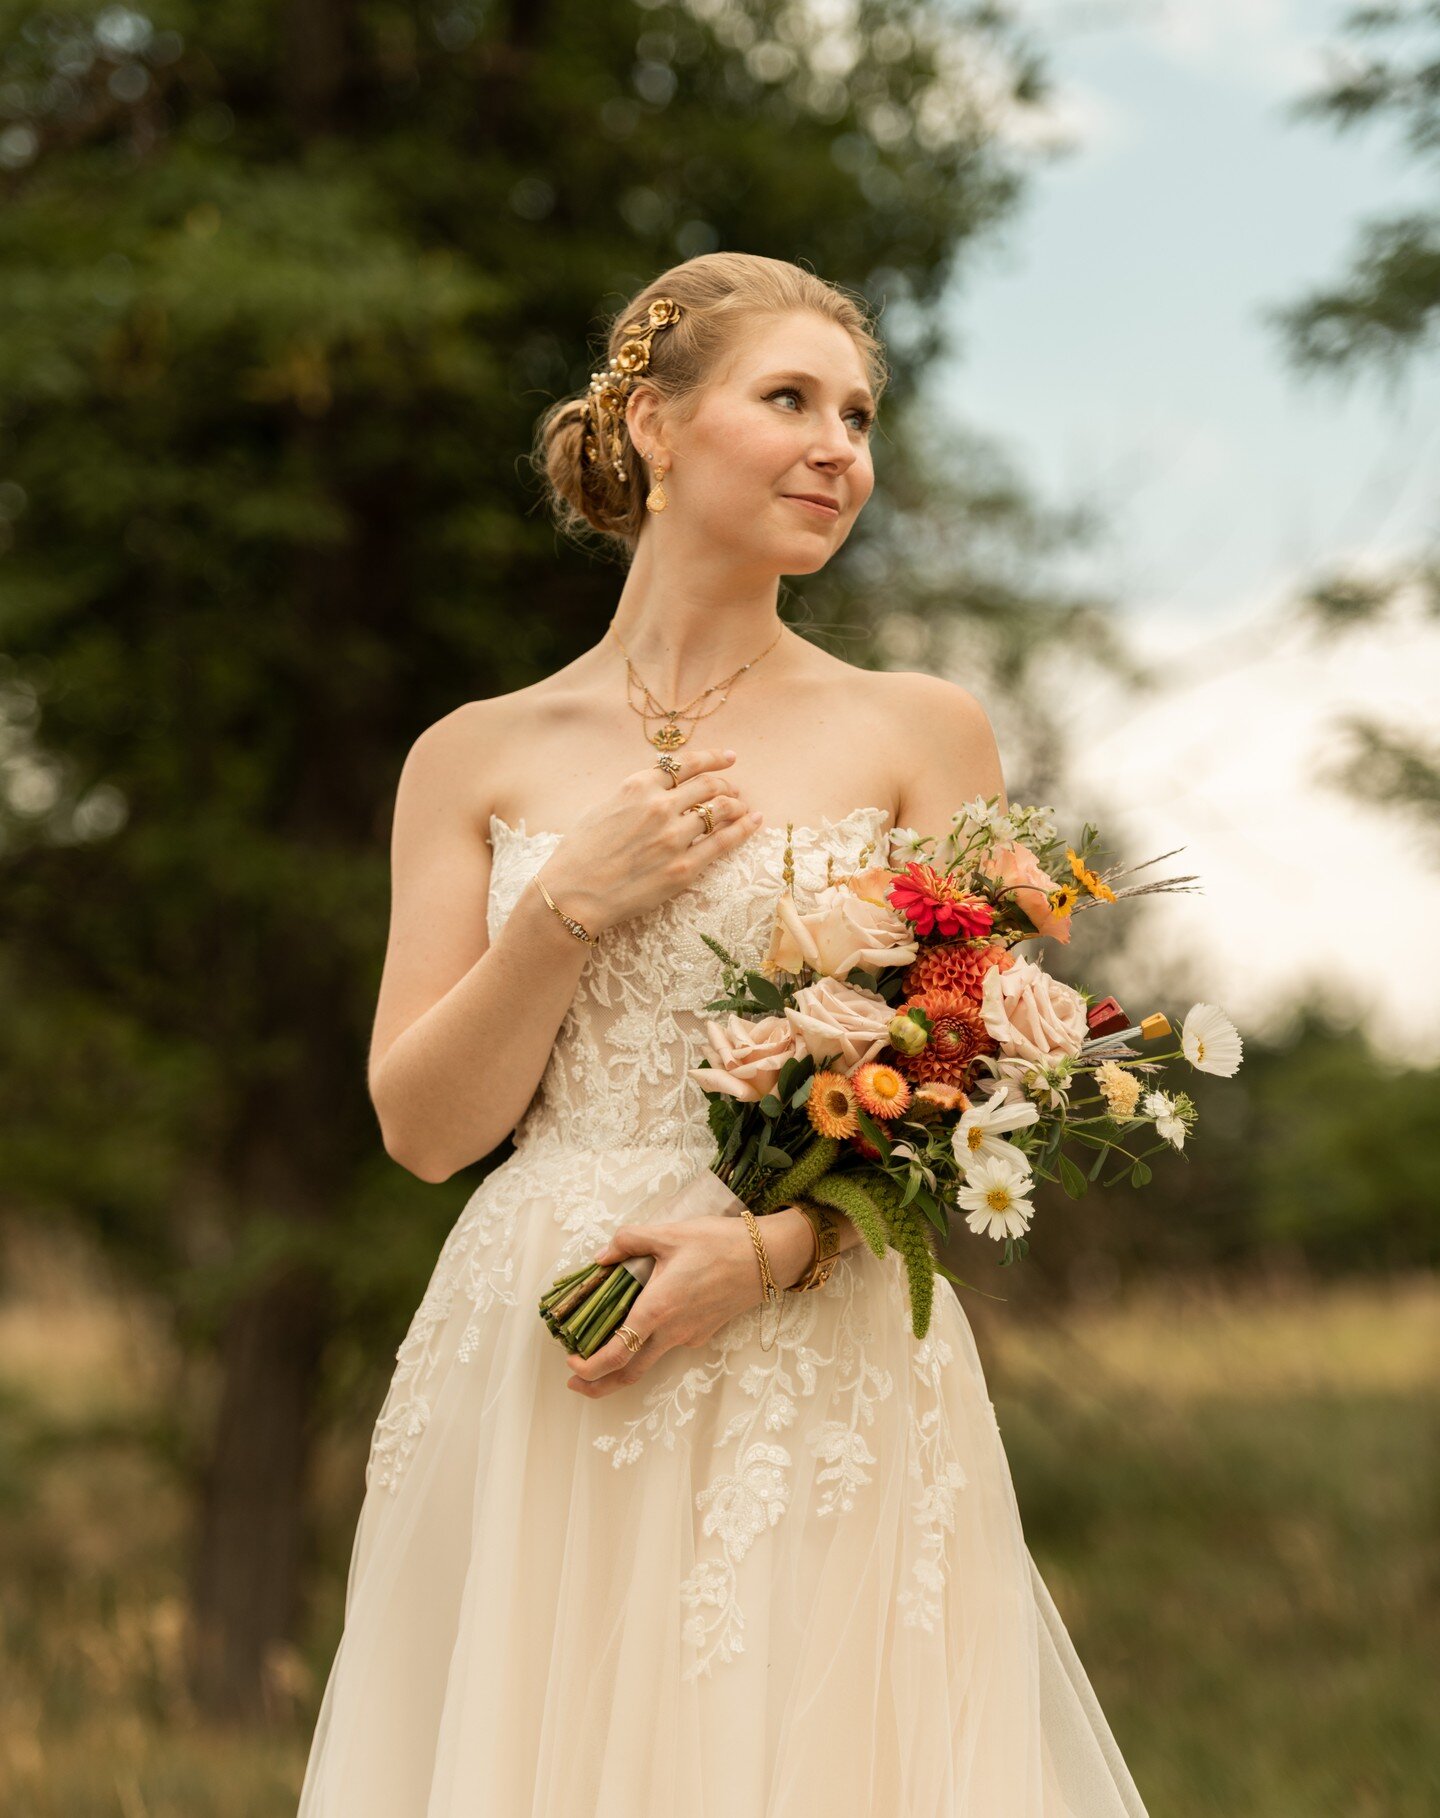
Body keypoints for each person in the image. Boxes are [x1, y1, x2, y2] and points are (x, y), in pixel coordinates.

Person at [296, 252, 1150, 1816]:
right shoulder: (472, 754)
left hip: (812, 1351)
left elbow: (974, 1091)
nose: (844, 447)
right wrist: (566, 905)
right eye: (792, 400)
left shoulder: (918, 727)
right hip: (551, 1343)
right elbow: (425, 1128)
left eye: (861, 415)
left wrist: (769, 1251)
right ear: (656, 425)